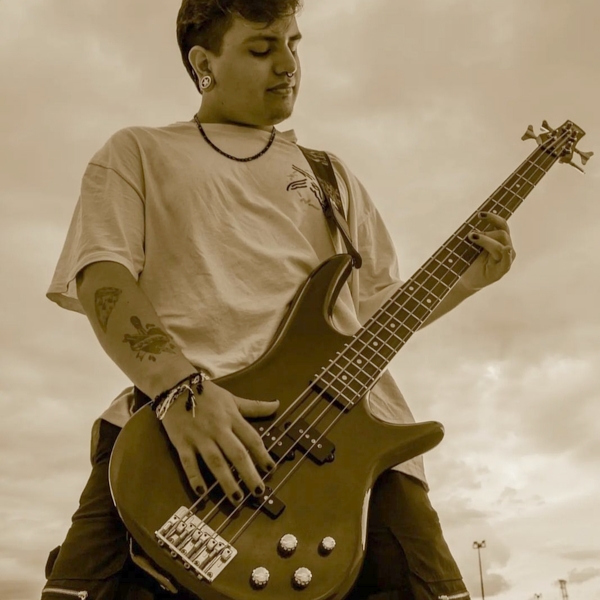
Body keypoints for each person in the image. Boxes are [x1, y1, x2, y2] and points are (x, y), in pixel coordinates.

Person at [42, 1, 516, 598]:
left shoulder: (330, 175)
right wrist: (181, 390)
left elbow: (370, 314)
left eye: (294, 44)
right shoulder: (137, 151)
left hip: (345, 445)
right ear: (204, 63)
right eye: (262, 49)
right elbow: (103, 276)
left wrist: (467, 282)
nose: (288, 64)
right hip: (179, 432)